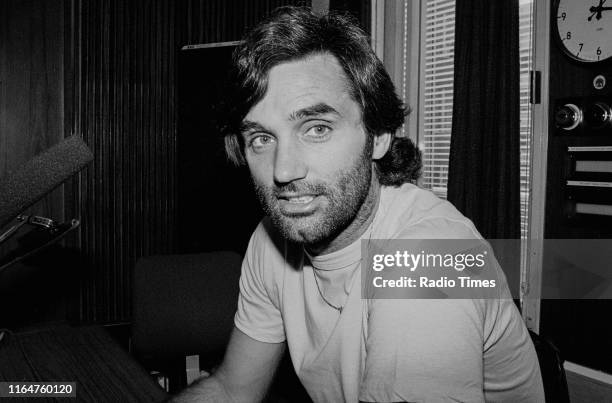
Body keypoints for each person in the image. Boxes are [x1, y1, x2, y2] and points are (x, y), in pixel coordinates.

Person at [171, 6, 544, 403]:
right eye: (262, 138)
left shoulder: (432, 258)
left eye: (317, 128)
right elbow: (232, 390)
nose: (283, 170)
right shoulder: (270, 240)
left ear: (378, 135)